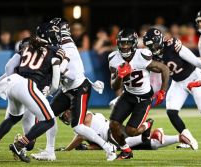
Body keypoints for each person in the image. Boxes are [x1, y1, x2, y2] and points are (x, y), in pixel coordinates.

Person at [31, 17, 116, 161]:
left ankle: (109, 148)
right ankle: (50, 152)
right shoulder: (59, 44)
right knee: (48, 115)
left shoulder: (67, 46)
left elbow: (71, 74)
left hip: (79, 88)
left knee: (78, 126)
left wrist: (54, 79)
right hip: (67, 89)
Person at [0, 22, 64, 163]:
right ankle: (19, 145)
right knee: (49, 120)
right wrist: (50, 90)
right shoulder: (55, 51)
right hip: (28, 86)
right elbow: (55, 81)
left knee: (12, 118)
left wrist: (16, 78)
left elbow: (8, 66)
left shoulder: (26, 46)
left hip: (13, 82)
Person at [143, 28, 201, 150]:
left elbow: (195, 61)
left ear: (160, 40)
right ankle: (189, 139)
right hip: (177, 83)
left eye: (154, 44)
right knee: (171, 111)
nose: (153, 48)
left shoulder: (173, 46)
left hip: (193, 77)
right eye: (150, 46)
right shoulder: (150, 55)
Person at [108, 28, 170, 159]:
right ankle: (126, 151)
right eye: (122, 43)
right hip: (128, 95)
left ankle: (148, 124)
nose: (125, 47)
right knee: (113, 124)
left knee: (131, 131)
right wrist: (120, 76)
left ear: (134, 43)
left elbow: (164, 69)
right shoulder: (113, 58)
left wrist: (162, 91)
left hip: (144, 98)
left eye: (128, 43)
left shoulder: (142, 55)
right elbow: (114, 86)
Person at [54, 110, 192, 151]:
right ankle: (178, 138)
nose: (65, 117)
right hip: (114, 139)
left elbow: (81, 136)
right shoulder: (81, 125)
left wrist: (67, 150)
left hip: (114, 133)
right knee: (150, 145)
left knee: (134, 141)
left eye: (65, 114)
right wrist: (87, 149)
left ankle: (148, 127)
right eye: (63, 117)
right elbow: (101, 145)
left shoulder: (86, 116)